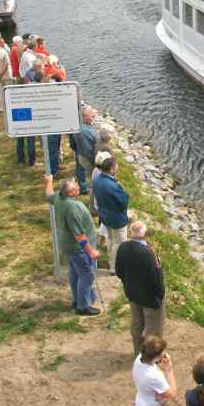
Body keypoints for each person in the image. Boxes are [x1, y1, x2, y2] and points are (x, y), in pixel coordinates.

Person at [44, 174, 100, 315]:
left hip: (67, 245)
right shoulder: (72, 207)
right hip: (78, 248)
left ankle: (77, 300)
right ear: (70, 193)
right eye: (76, 187)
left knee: (75, 273)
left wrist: (49, 181)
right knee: (87, 275)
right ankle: (83, 306)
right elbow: (79, 235)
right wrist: (91, 252)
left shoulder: (59, 197)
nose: (79, 187)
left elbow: (49, 195)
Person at [116, 221, 166, 354]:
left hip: (132, 293)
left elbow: (118, 271)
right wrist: (160, 295)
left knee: (137, 324)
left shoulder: (122, 247)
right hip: (150, 298)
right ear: (145, 234)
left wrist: (129, 284)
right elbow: (157, 278)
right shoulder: (149, 253)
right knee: (153, 328)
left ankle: (138, 353)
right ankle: (149, 357)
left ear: (130, 232)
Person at [132, 336, 178, 406]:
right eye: (163, 352)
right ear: (157, 357)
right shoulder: (154, 377)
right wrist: (169, 370)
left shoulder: (139, 358)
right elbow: (173, 394)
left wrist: (158, 363)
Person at [94, 156, 129, 271]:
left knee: (110, 239)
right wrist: (122, 189)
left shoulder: (97, 179)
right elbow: (124, 201)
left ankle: (112, 263)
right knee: (119, 244)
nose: (118, 168)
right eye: (116, 166)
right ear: (112, 169)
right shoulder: (112, 186)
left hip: (105, 215)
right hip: (116, 219)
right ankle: (115, 268)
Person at [74, 106, 99, 195]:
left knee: (81, 169)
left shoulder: (84, 125)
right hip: (87, 158)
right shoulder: (84, 132)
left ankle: (83, 187)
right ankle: (87, 190)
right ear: (84, 117)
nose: (94, 116)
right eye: (91, 115)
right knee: (92, 175)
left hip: (81, 153)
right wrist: (96, 162)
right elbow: (87, 151)